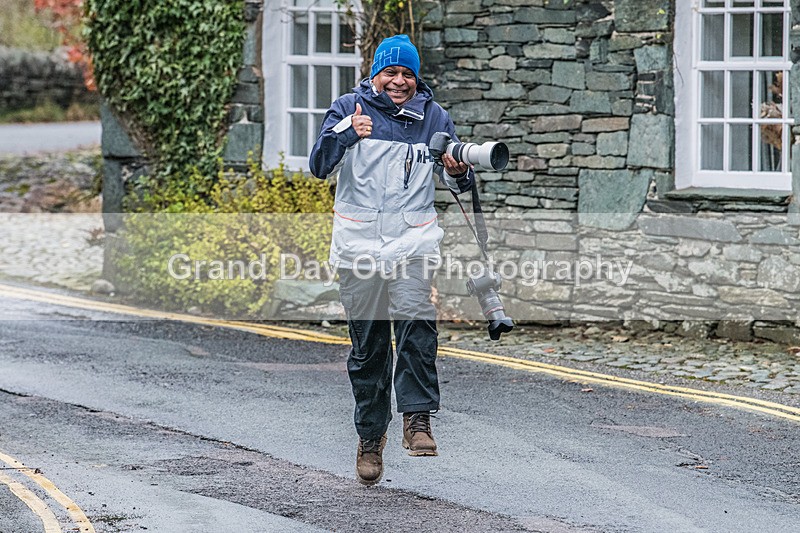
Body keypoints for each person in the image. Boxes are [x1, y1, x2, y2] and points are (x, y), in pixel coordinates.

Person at [309, 34, 474, 486]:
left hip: (412, 244)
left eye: (407, 74)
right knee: (369, 350)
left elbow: (458, 182)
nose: (399, 81)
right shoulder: (348, 109)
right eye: (391, 73)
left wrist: (459, 171)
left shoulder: (434, 117)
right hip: (358, 247)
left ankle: (418, 420)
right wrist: (345, 135)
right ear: (375, 74)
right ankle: (369, 437)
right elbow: (319, 165)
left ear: (416, 78)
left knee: (418, 327)